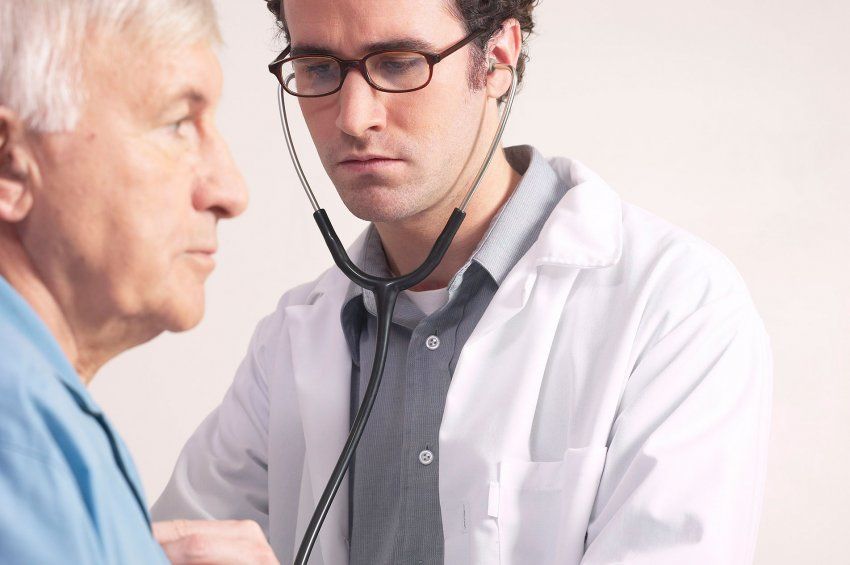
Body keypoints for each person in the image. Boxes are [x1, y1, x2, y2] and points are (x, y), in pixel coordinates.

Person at [154, 0, 773, 563]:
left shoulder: (675, 307)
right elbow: (162, 546)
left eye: (398, 63)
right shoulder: (291, 342)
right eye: (318, 68)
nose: (353, 117)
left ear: (498, 58)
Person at [0, 1, 277, 563]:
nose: (231, 190)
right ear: (9, 167)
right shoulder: (21, 441)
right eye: (177, 123)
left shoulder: (48, 421)